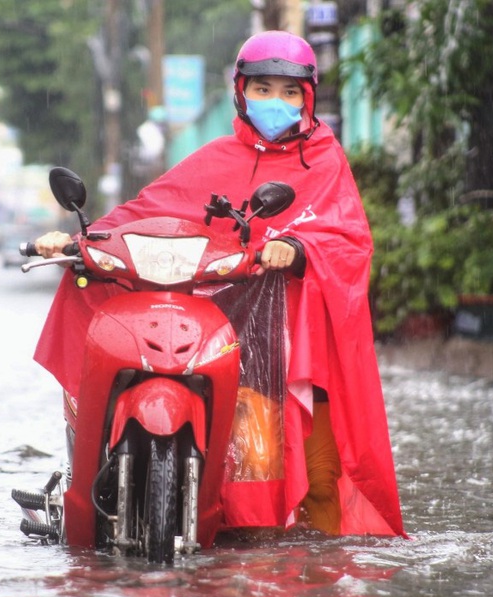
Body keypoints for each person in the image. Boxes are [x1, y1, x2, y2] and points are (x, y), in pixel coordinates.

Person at [33, 30, 406, 539]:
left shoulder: (324, 162)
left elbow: (348, 241)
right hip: (212, 333)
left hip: (295, 351)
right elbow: (143, 215)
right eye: (264, 89)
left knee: (318, 485)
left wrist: (298, 249)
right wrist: (80, 241)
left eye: (290, 92)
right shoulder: (214, 159)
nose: (277, 102)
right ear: (241, 91)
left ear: (309, 98)